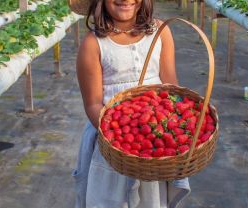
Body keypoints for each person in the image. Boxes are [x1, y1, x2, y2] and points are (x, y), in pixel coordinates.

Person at [70, 0, 191, 207]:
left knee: (151, 200)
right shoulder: (94, 44)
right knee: (110, 200)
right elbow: (92, 104)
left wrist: (177, 124)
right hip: (113, 142)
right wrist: (117, 136)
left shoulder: (161, 32)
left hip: (155, 142)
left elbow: (172, 89)